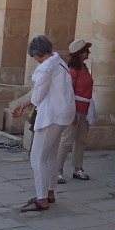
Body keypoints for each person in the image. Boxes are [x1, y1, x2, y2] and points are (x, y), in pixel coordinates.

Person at [12, 35, 75, 213]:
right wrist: (25, 104)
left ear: (37, 53)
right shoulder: (59, 62)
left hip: (51, 115)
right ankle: (49, 192)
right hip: (63, 113)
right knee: (51, 156)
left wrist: (25, 104)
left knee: (38, 157)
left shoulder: (46, 67)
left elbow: (39, 94)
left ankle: (42, 199)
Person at [57, 39, 94, 182]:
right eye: (86, 50)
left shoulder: (84, 68)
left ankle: (78, 168)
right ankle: (58, 170)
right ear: (80, 54)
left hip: (85, 109)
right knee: (66, 141)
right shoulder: (73, 71)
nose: (88, 52)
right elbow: (69, 92)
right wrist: (71, 112)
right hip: (75, 109)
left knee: (81, 140)